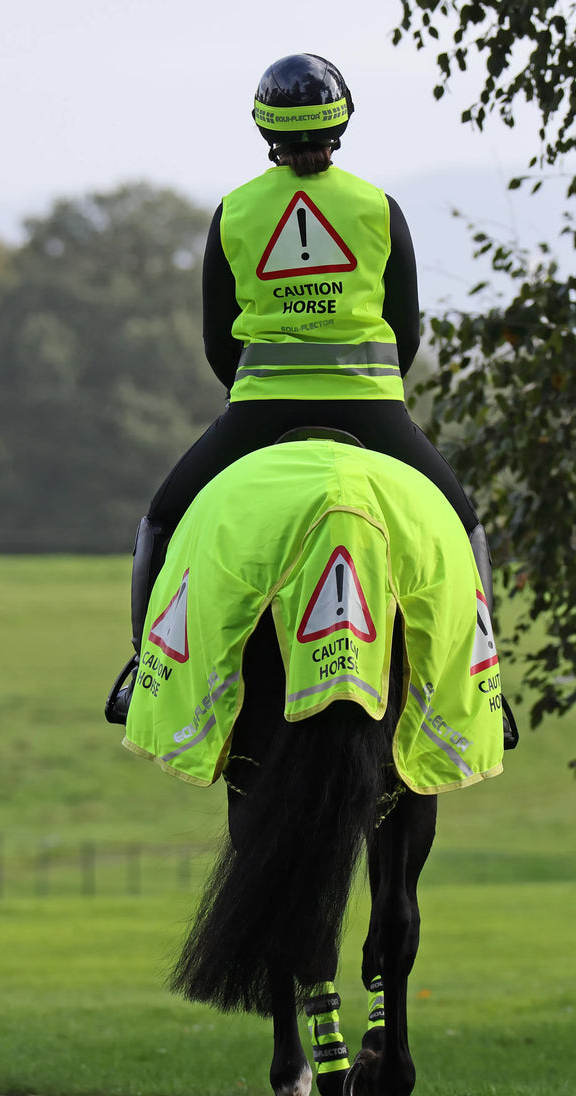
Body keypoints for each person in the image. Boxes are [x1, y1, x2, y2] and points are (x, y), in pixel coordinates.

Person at [123, 53, 507, 740]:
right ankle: (487, 686)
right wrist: (371, 390)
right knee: (465, 524)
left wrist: (256, 389)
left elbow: (218, 342)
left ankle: (140, 673)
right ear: (342, 122)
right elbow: (406, 331)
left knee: (161, 521)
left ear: (265, 128)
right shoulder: (377, 208)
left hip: (260, 413)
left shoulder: (235, 212)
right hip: (372, 410)